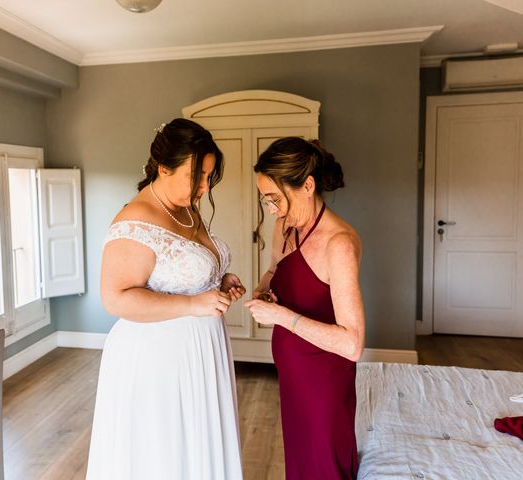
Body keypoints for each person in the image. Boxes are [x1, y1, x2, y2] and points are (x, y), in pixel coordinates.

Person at [86, 118, 246, 480]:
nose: (205, 188)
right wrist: (193, 305)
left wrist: (219, 280)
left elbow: (185, 272)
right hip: (158, 361)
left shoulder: (186, 207)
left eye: (208, 177)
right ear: (163, 168)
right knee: (165, 456)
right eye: (198, 177)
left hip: (202, 350)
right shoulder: (137, 219)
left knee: (199, 448)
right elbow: (116, 298)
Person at [244, 137, 365, 480]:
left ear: (307, 185)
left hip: (323, 382)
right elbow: (274, 269)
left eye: (275, 199)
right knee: (299, 461)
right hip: (292, 372)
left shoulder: (338, 245)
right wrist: (263, 287)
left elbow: (352, 344)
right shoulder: (285, 225)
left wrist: (280, 316)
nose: (271, 210)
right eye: (265, 199)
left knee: (323, 463)